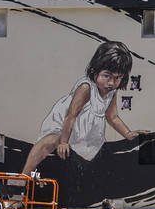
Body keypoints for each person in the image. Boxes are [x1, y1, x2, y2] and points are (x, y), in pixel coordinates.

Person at [22, 41, 144, 176]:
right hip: (65, 125)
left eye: (117, 78)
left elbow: (113, 117)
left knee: (93, 154)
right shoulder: (86, 88)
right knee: (51, 141)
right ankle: (25, 175)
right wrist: (63, 142)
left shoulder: (111, 92)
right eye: (107, 76)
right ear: (94, 71)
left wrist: (127, 133)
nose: (111, 83)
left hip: (85, 132)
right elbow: (71, 115)